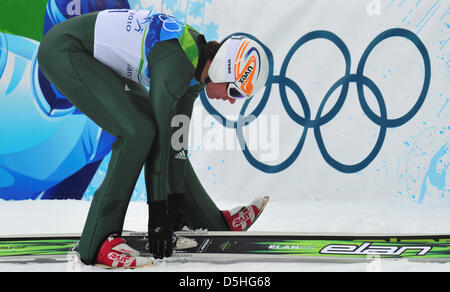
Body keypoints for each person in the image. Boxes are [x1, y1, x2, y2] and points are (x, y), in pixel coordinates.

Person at [38, 8, 270, 268]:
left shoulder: (195, 73)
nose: (231, 99)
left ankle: (210, 222)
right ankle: (98, 241)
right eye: (235, 91)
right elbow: (158, 137)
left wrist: (177, 201)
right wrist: (158, 211)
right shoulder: (177, 64)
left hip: (94, 59)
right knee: (138, 131)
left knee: (154, 132)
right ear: (223, 69)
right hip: (65, 50)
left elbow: (175, 142)